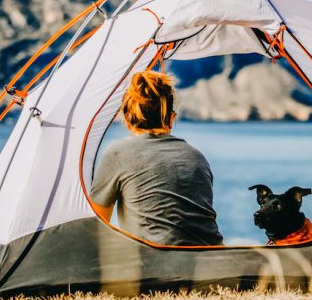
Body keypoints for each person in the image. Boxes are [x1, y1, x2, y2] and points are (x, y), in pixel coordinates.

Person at [89, 71, 223, 246]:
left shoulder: (117, 154)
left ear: (128, 119)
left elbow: (97, 225)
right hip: (213, 263)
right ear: (172, 118)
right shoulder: (197, 157)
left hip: (155, 266)